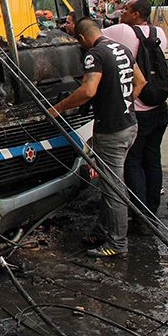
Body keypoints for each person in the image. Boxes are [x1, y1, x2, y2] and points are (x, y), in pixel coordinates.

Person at [51, 18, 146, 258]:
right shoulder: (121, 48)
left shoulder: (95, 54)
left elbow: (88, 90)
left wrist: (58, 108)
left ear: (82, 39)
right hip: (129, 125)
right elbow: (141, 81)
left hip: (112, 131)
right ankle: (103, 229)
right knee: (109, 183)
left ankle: (117, 243)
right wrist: (123, 103)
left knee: (114, 188)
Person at [103, 0, 168, 220]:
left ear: (136, 14)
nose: (122, 12)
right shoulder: (159, 33)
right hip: (159, 109)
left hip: (139, 111)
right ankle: (152, 208)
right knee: (153, 159)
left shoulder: (122, 31)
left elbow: (92, 35)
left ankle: (140, 213)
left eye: (126, 10)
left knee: (133, 162)